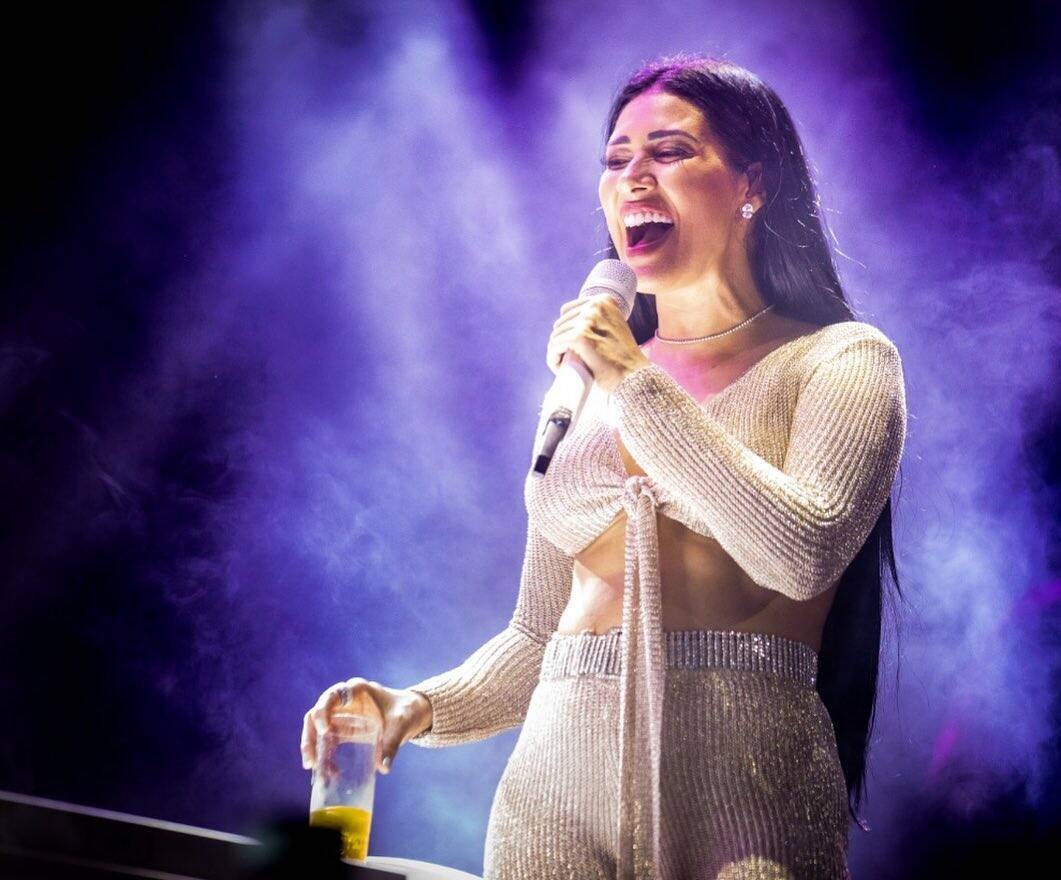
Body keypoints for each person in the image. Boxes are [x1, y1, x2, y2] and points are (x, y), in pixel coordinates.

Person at [301, 53, 908, 880]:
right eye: (616, 160)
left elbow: (800, 553)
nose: (632, 179)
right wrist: (418, 706)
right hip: (550, 795)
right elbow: (536, 635)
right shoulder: (586, 384)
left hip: (747, 791)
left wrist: (634, 385)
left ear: (751, 185)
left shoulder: (840, 360)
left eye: (667, 152)